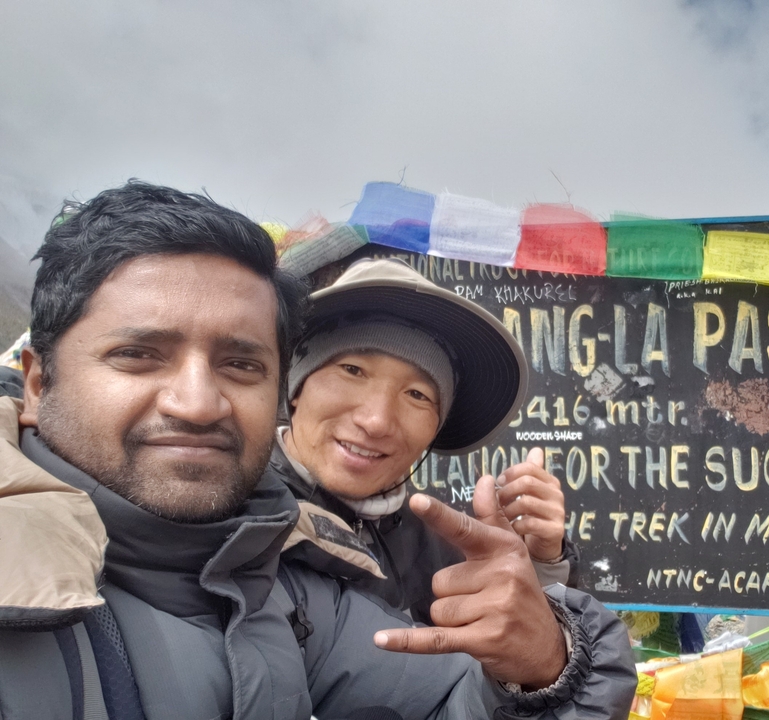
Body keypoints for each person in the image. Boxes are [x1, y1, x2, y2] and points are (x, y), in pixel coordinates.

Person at [0, 181, 637, 720]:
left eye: (418, 395)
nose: (197, 403)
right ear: (37, 383)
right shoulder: (265, 541)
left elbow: (459, 691)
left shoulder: (272, 575)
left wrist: (544, 635)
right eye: (138, 354)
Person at [272, 257, 579, 623]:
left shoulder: (440, 548)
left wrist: (539, 565)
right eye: (352, 370)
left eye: (417, 394)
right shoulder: (233, 516)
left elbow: (512, 647)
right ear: (295, 387)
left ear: (436, 426)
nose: (376, 421)